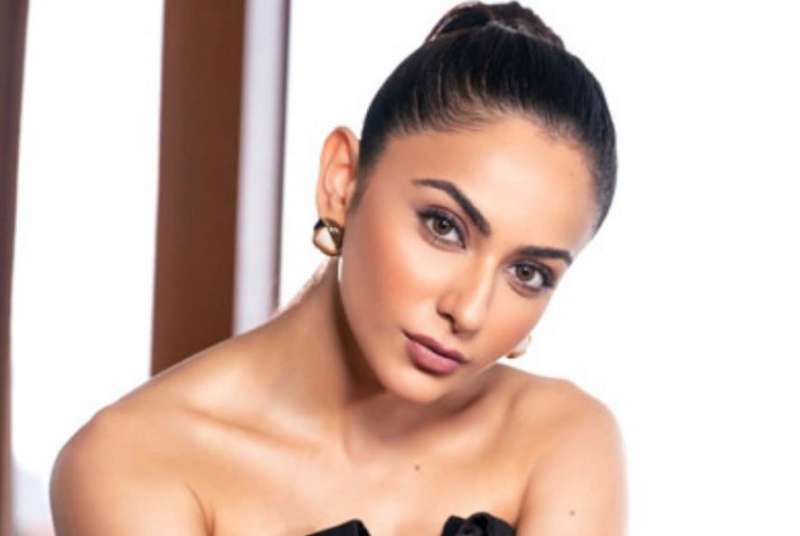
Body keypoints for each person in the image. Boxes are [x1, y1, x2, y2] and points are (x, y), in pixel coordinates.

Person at [49, 1, 626, 534]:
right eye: (443, 226)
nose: (470, 311)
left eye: (527, 273)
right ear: (342, 182)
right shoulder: (133, 460)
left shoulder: (563, 439)